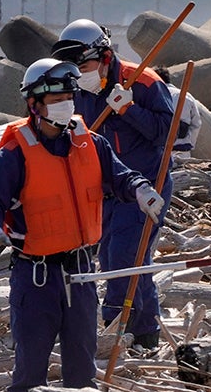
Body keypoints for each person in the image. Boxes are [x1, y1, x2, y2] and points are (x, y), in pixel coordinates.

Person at [0, 59, 164, 392]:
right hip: (36, 278)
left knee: (81, 369)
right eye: (56, 98)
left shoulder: (89, 142)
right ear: (35, 105)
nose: (66, 103)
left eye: (68, 96)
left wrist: (142, 191)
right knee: (31, 370)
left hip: (80, 275)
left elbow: (120, 176)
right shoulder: (15, 153)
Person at [51, 19, 175, 349]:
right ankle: (145, 333)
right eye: (72, 67)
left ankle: (120, 330)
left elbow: (168, 132)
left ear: (104, 56)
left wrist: (129, 109)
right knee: (112, 258)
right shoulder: (77, 90)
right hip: (104, 190)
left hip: (144, 186)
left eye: (84, 64)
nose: (79, 72)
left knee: (126, 259)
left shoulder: (143, 81)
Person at [153, 66, 202, 161]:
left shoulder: (152, 95)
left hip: (157, 152)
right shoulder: (185, 96)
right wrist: (189, 143)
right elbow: (196, 123)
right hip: (182, 152)